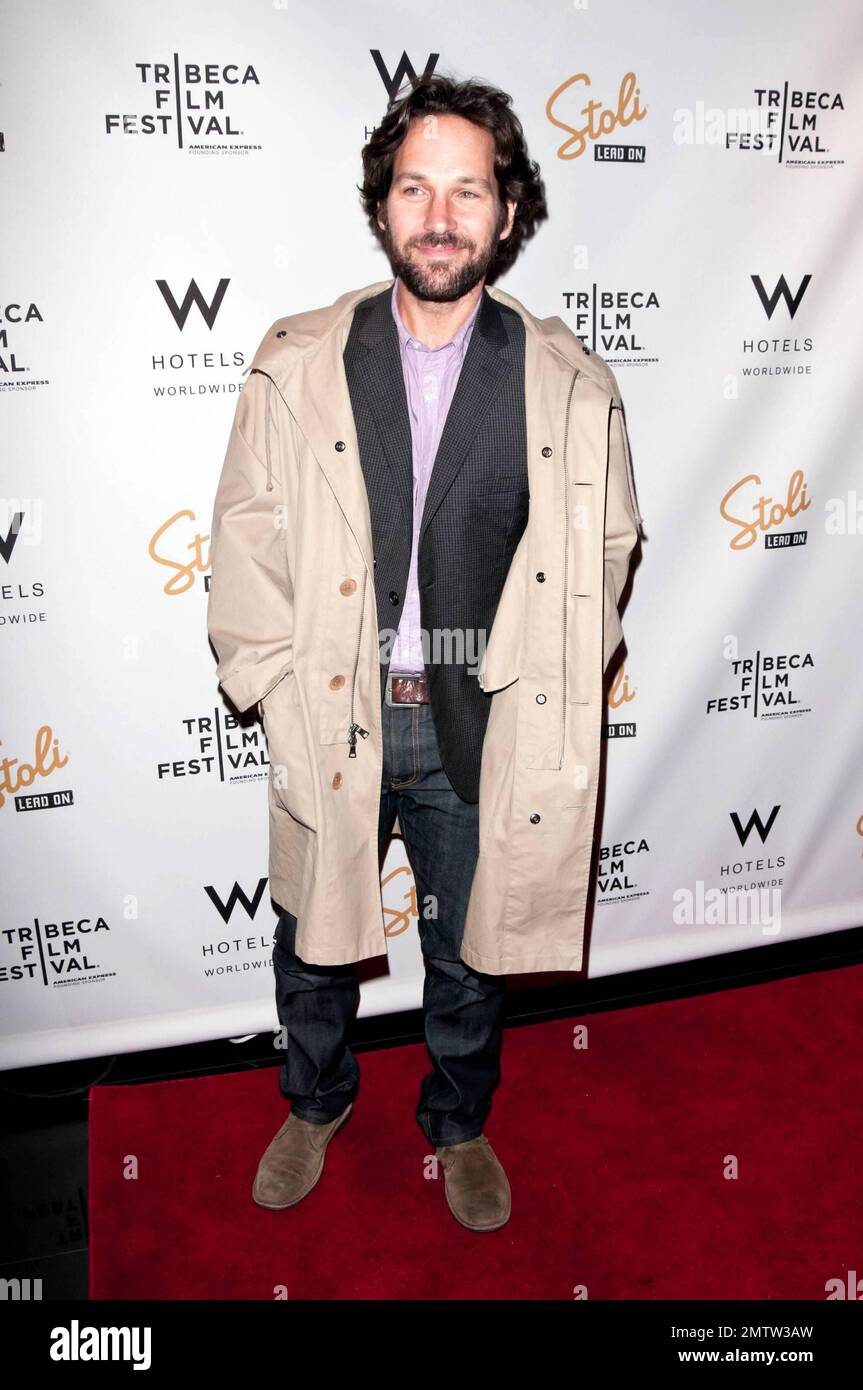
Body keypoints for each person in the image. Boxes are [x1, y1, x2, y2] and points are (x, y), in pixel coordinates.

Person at [206, 73, 643, 1234]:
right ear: (382, 204)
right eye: (414, 187)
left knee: (468, 941)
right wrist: (262, 676)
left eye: (466, 189)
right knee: (312, 929)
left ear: (506, 212)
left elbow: (608, 543)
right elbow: (245, 525)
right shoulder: (296, 359)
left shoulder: (566, 383)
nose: (438, 214)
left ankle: (456, 1119)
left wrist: (551, 672)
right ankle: (314, 1099)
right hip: (330, 700)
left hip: (479, 714)